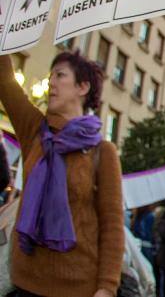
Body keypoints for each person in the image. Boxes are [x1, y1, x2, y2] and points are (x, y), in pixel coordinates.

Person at [0, 52, 124, 297]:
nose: (51, 82)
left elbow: (112, 225)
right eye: (50, 76)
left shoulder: (102, 152)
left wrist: (107, 287)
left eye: (60, 75)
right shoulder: (35, 130)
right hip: (24, 284)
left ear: (83, 87)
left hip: (78, 288)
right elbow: (5, 82)